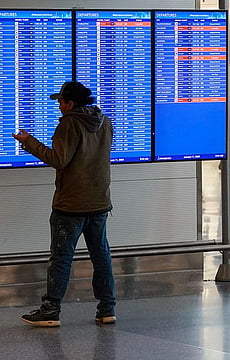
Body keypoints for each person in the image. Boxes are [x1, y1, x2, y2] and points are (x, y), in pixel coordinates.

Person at [12, 81, 116, 327]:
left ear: (71, 104)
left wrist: (29, 142)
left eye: (61, 101)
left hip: (71, 205)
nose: (58, 106)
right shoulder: (104, 121)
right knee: (101, 255)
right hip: (99, 201)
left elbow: (58, 160)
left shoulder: (69, 124)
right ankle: (107, 309)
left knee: (61, 257)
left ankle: (51, 310)